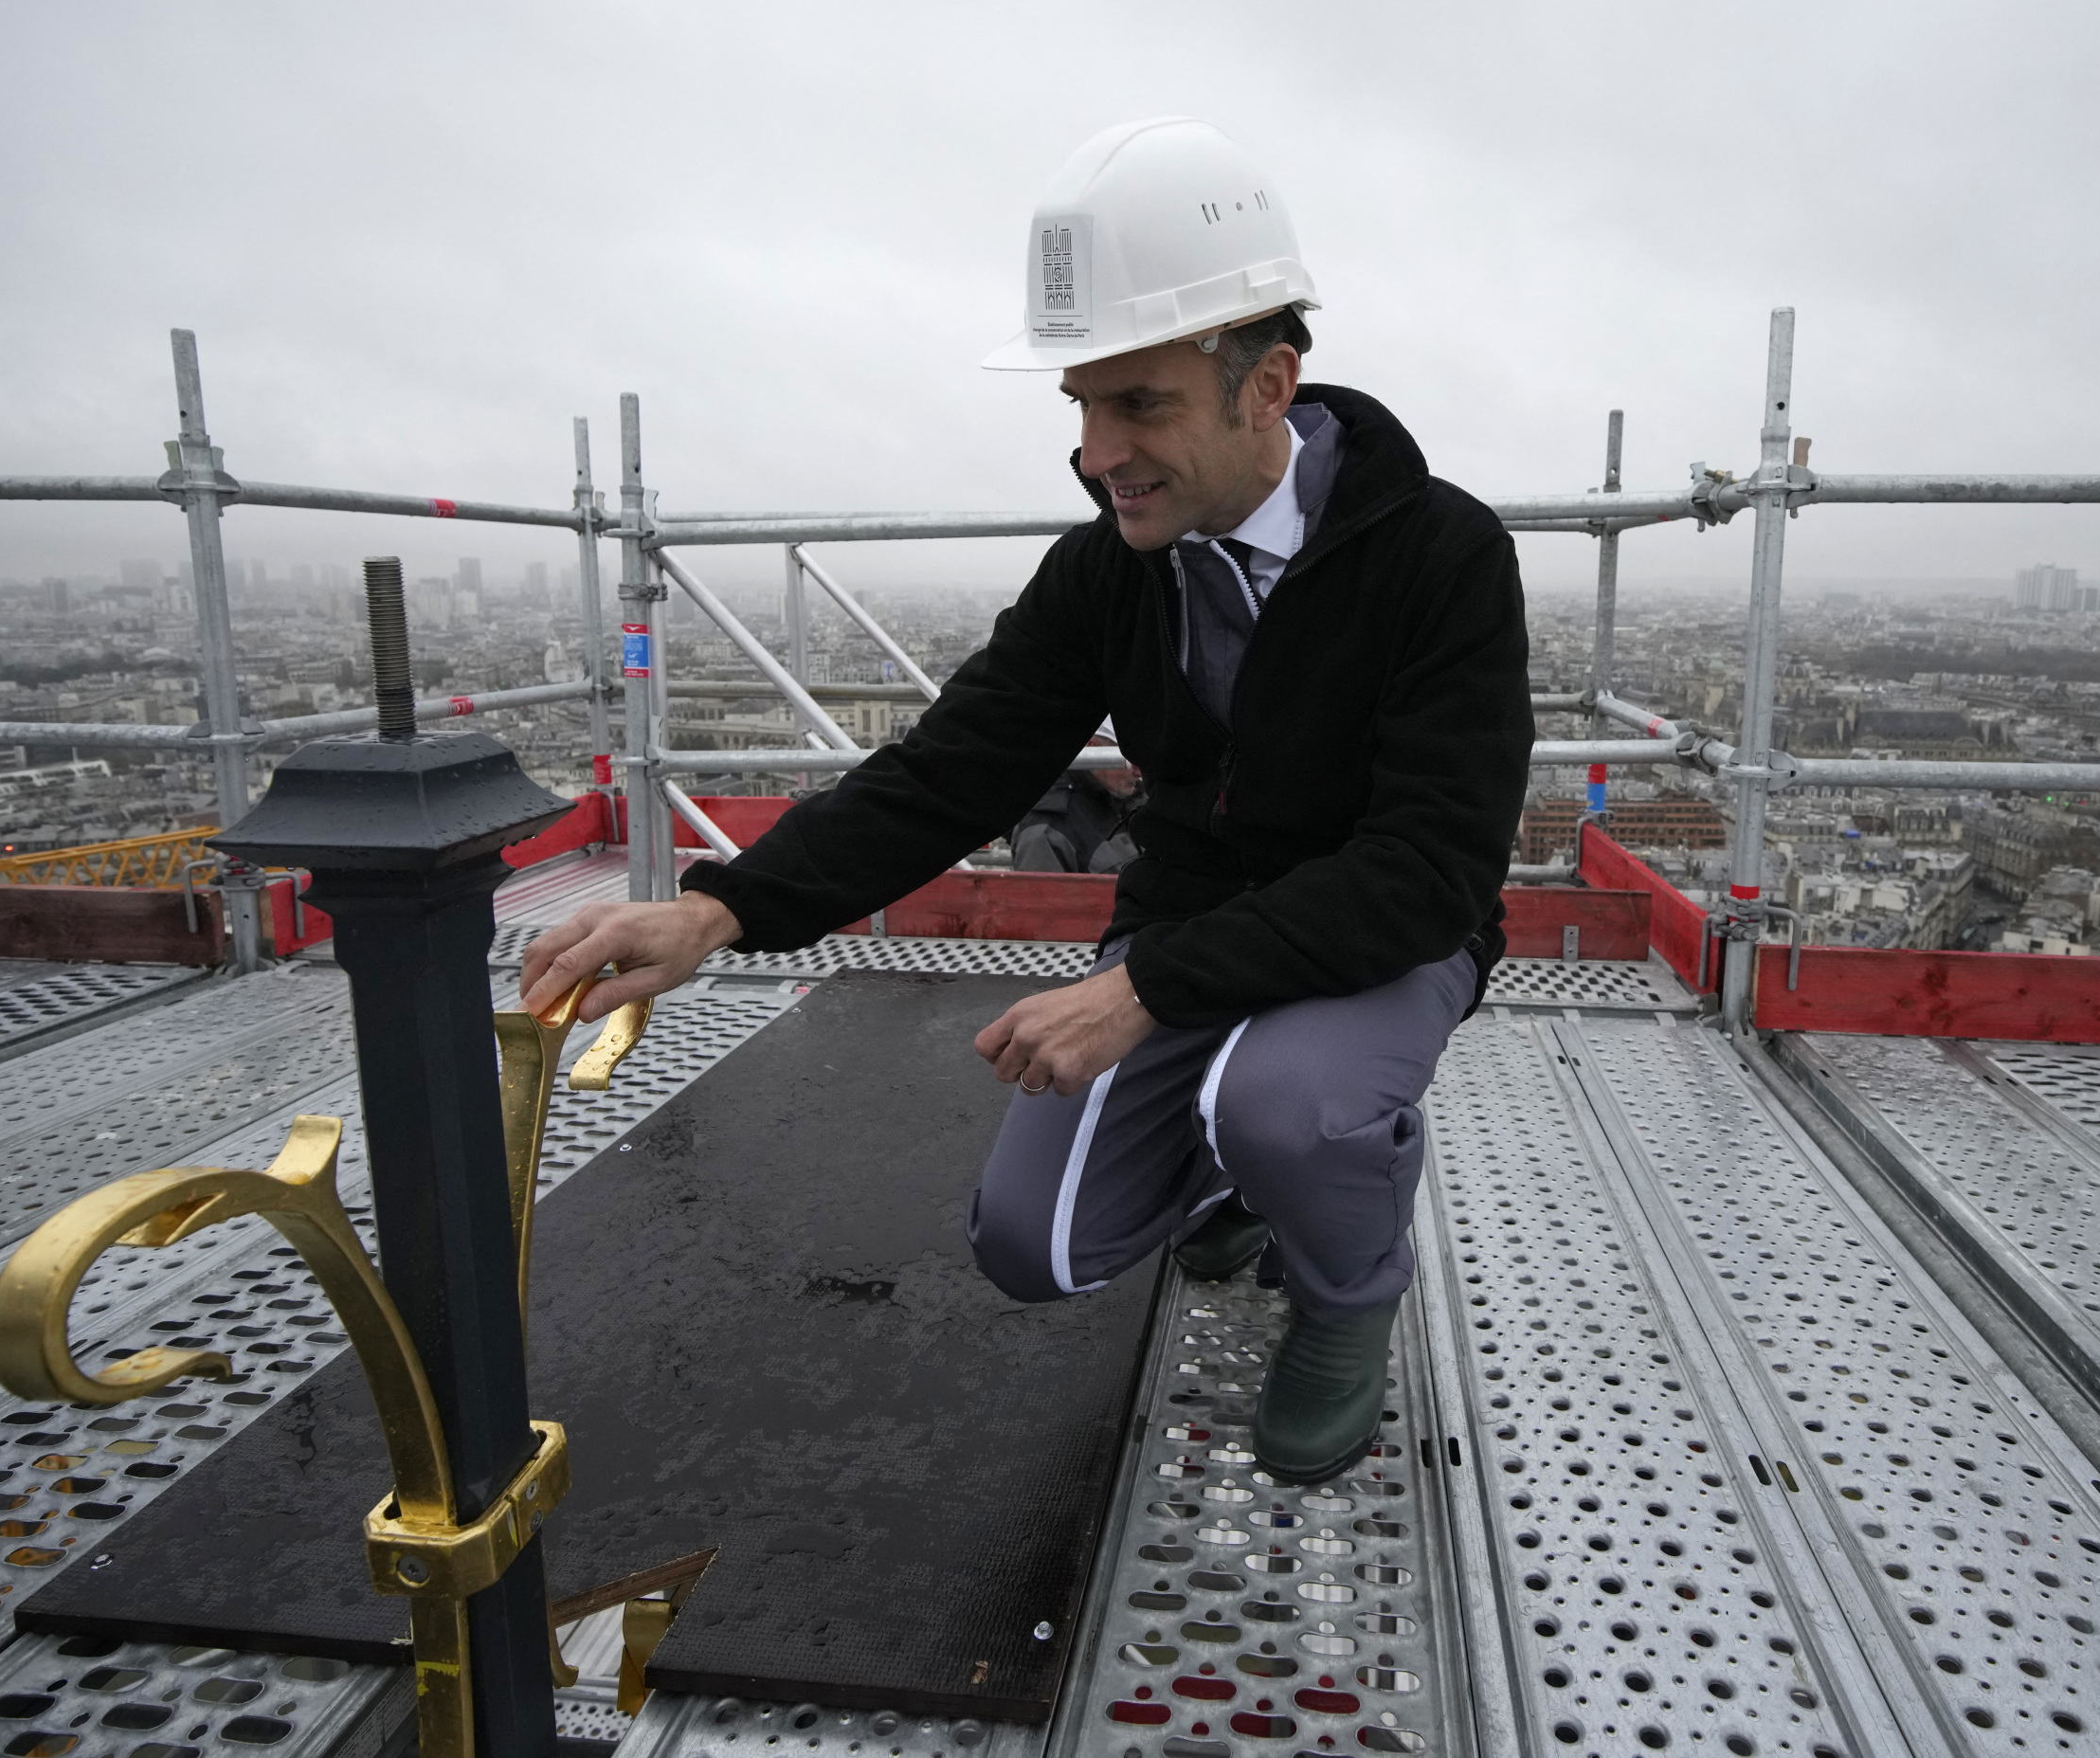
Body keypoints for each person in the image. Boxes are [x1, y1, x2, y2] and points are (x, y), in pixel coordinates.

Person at [523, 118, 1530, 1484]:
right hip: (1196, 929)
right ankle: (1243, 1182)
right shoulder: (1111, 569)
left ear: (1268, 386)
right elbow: (958, 766)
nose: (1093, 450)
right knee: (1033, 1247)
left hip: (1385, 941)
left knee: (1291, 1104)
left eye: (1140, 407)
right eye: (1081, 406)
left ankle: (1348, 1295)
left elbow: (1428, 868)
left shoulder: (1439, 556)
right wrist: (721, 910)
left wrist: (1146, 989)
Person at [1008, 740, 1142, 873]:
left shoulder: (1125, 799)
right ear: (1092, 749)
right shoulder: (1048, 828)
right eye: (1128, 760)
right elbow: (1041, 892)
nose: (1139, 772)